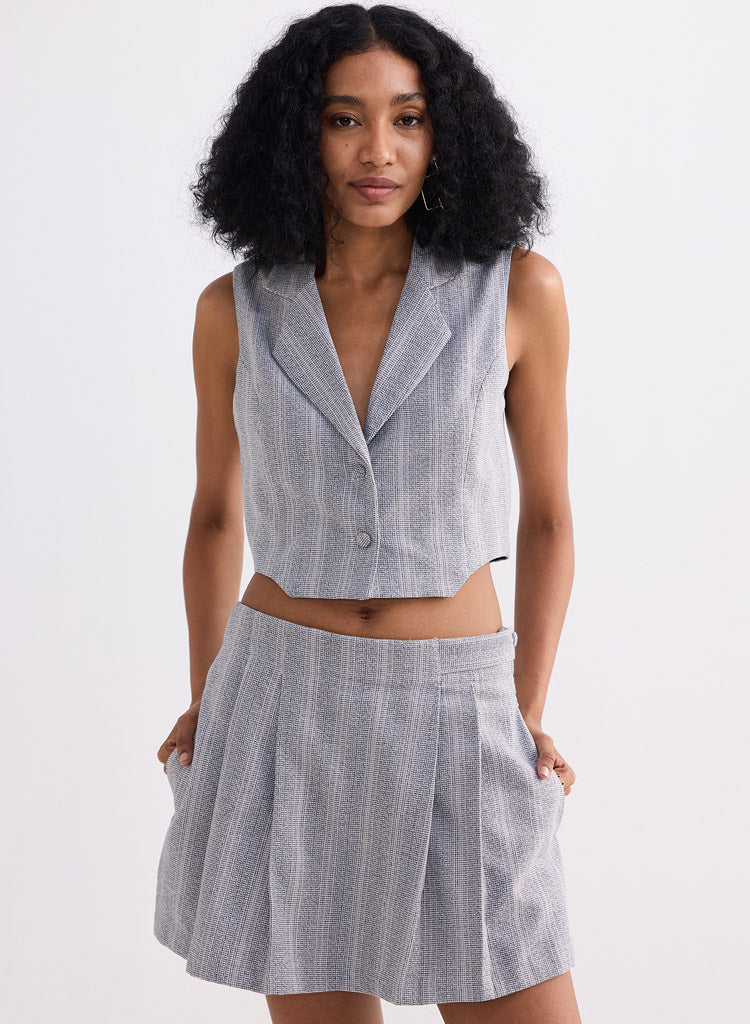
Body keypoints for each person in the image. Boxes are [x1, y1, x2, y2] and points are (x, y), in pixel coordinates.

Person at [153, 5, 582, 1022]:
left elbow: (549, 517)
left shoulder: (517, 290)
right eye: (344, 119)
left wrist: (522, 708)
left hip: (457, 703)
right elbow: (214, 516)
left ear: (445, 133)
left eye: (408, 118)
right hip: (283, 703)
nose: (378, 150)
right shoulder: (234, 309)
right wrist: (208, 696)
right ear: (296, 135)